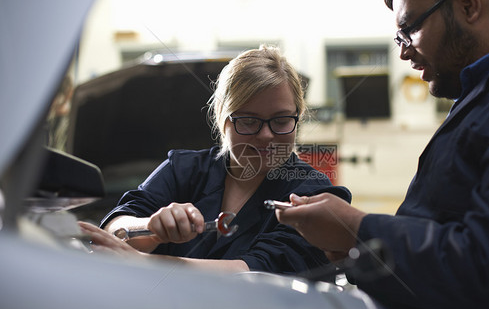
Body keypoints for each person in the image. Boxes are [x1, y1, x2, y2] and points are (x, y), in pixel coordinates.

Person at [276, 0, 489, 309]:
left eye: (409, 28)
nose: (403, 52)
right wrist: (357, 246)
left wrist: (359, 231)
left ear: (468, 6)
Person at [80, 45, 350, 276]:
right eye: (248, 121)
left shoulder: (314, 193)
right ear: (222, 119)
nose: (266, 135)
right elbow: (116, 228)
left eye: (281, 120)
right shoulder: (183, 169)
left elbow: (259, 272)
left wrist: (143, 264)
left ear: (298, 117)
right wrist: (150, 228)